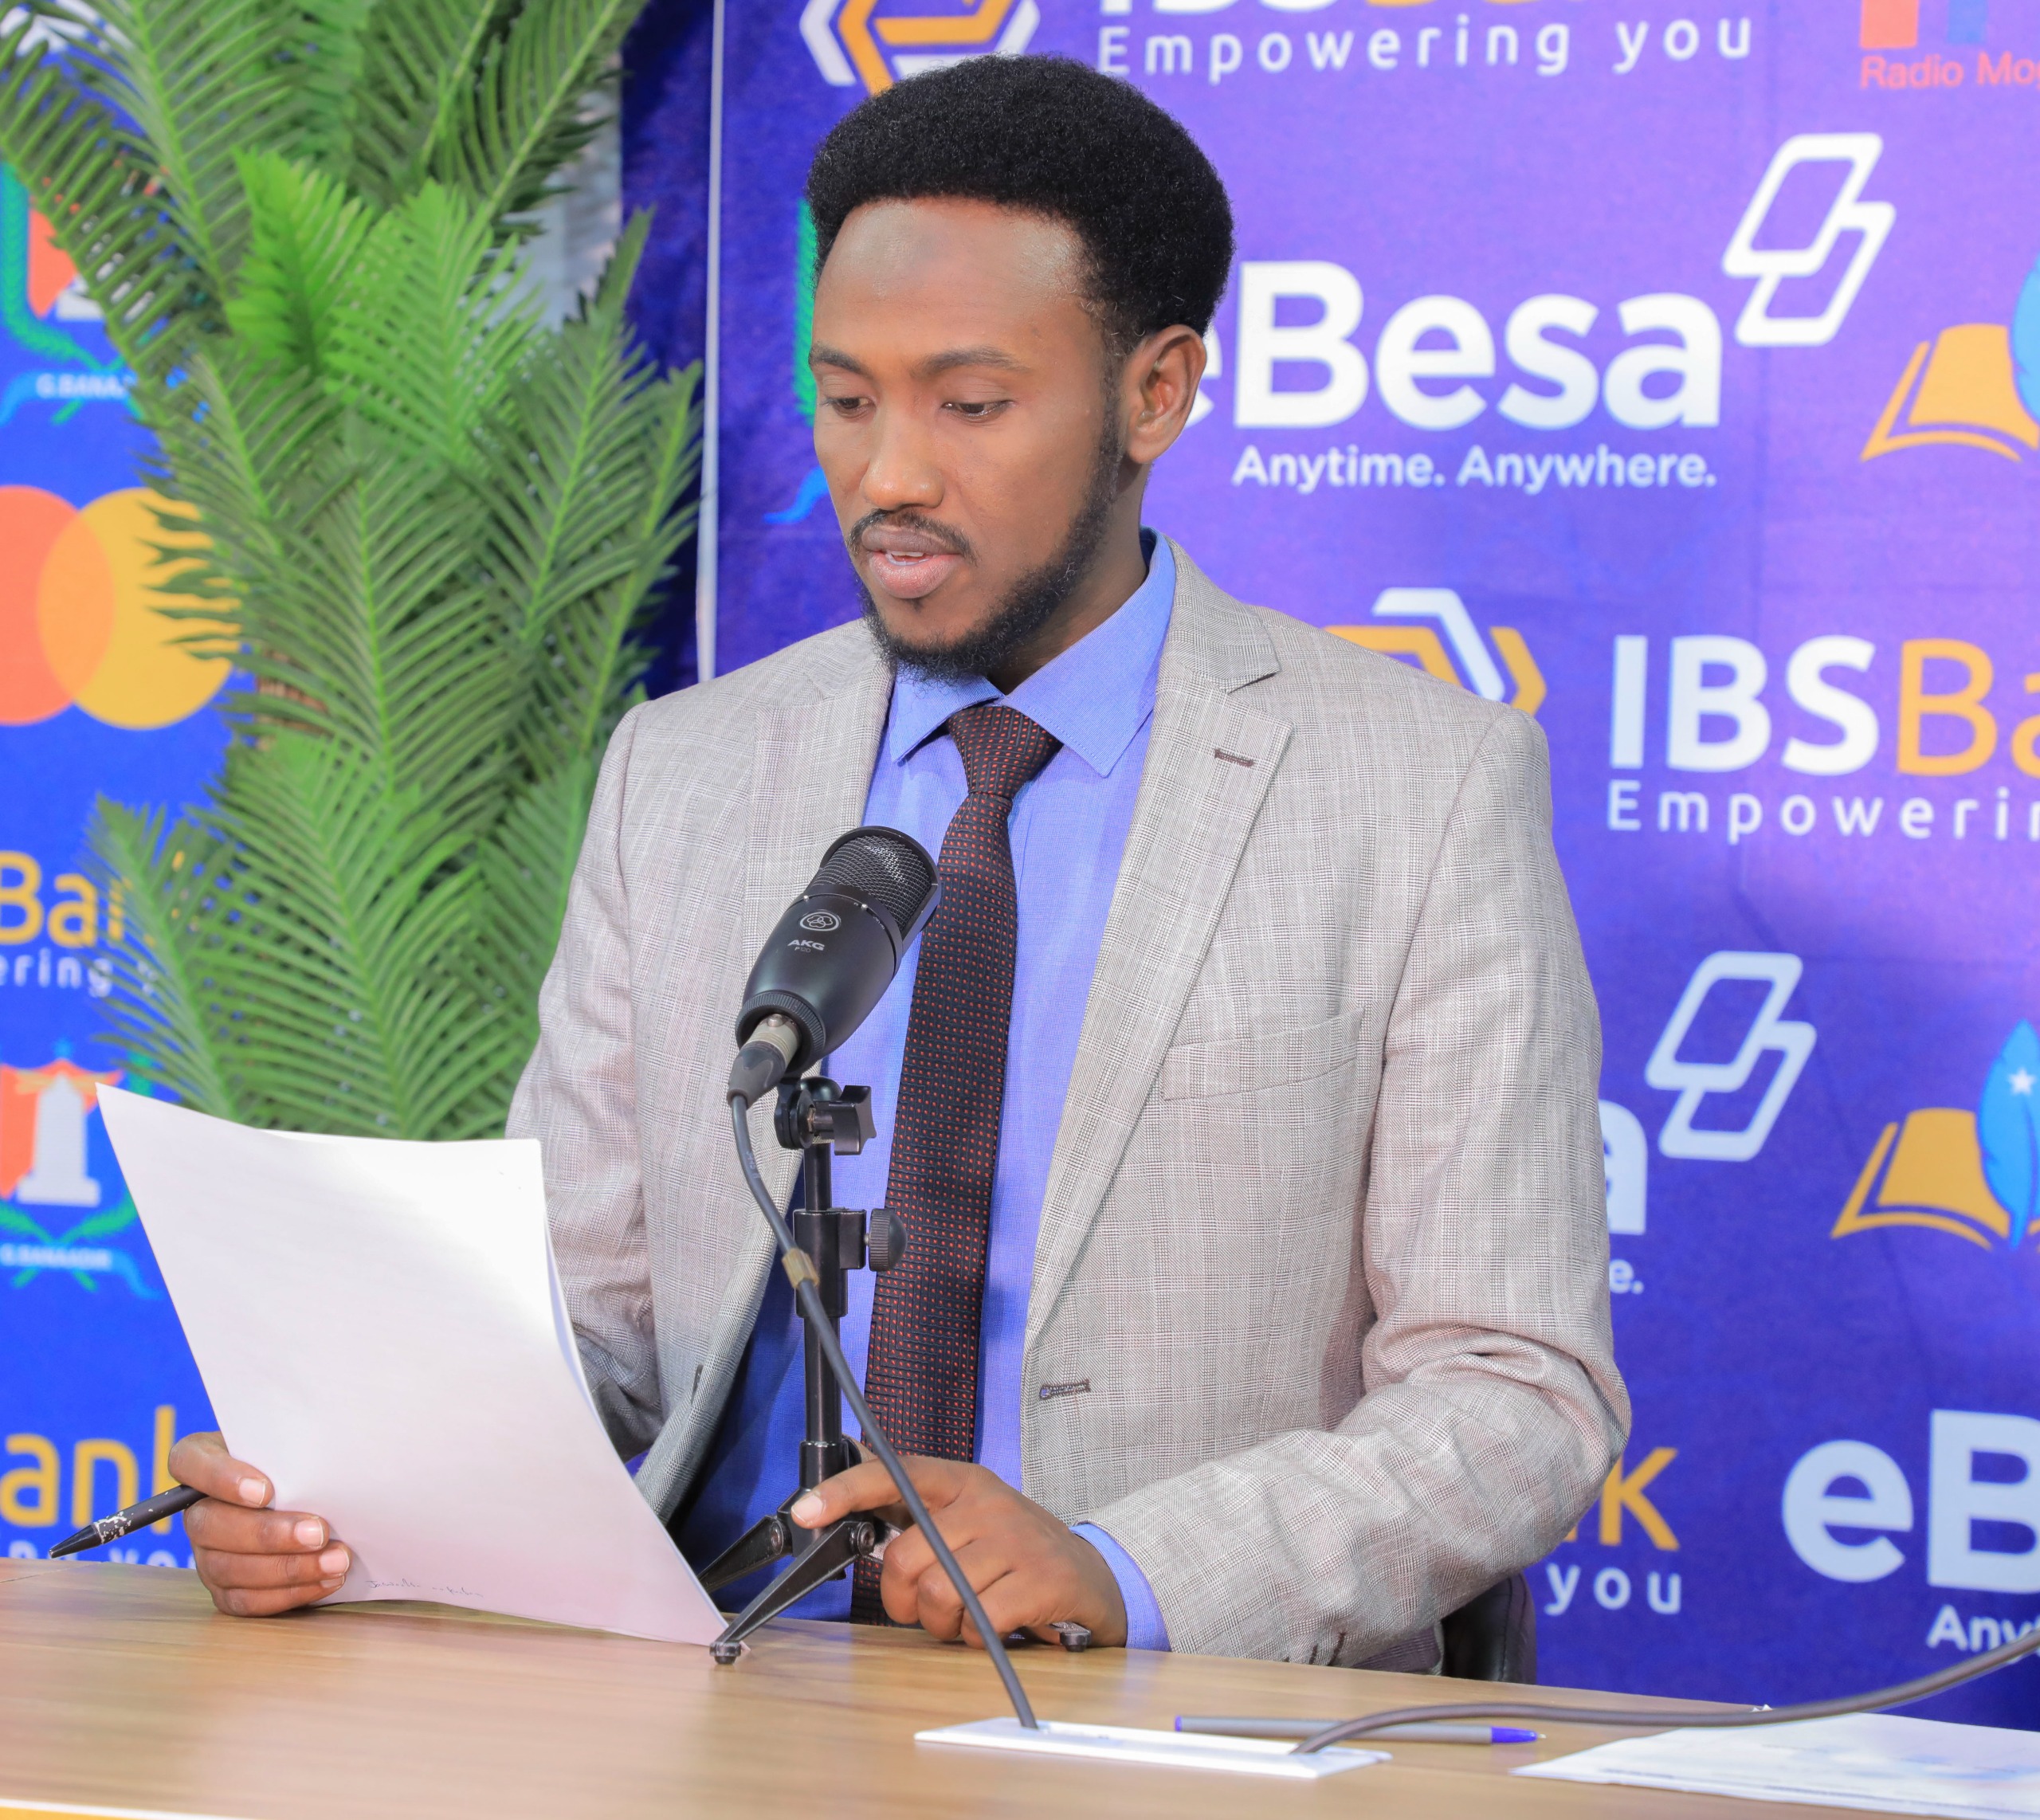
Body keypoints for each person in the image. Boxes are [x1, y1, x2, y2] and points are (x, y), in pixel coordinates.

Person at [171, 55, 1626, 1667]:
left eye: (970, 404)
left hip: (1157, 1721)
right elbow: (590, 1317)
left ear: (1155, 394)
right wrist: (357, 1478)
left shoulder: (1417, 788)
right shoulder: (685, 770)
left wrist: (1124, 1569)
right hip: (707, 1698)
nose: (888, 477)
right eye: (849, 399)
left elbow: (1515, 1389)